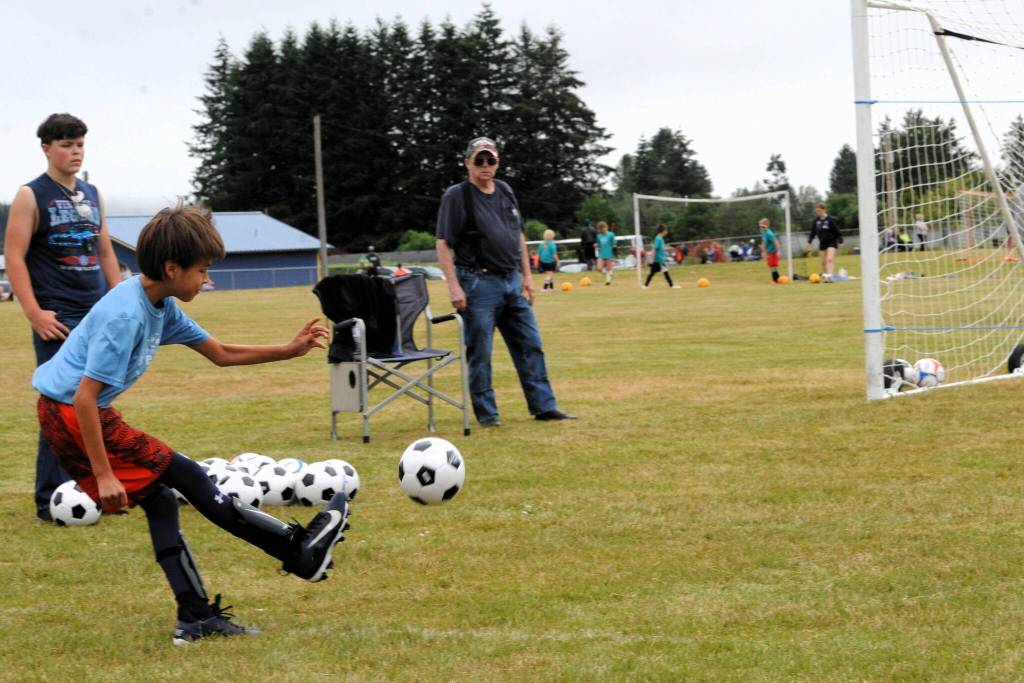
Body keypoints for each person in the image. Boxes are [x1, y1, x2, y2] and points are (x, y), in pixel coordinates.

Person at [32, 206, 352, 643]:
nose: (207, 279)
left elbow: (220, 352)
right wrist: (103, 474)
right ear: (171, 267)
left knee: (163, 501)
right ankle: (298, 552)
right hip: (71, 414)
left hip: (79, 412)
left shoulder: (160, 305)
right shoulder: (126, 316)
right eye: (202, 271)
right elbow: (85, 398)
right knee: (188, 475)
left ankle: (197, 616)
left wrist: (288, 349)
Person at [4, 113, 122, 523]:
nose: (75, 151)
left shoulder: (92, 193)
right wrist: (34, 313)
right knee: (60, 407)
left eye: (80, 144)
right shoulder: (30, 195)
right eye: (66, 144)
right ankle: (50, 498)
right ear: (46, 148)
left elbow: (106, 252)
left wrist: (119, 302)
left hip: (95, 314)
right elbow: (14, 256)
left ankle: (100, 490)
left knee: (97, 403)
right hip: (57, 317)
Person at [435, 136, 576, 426]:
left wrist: (528, 277)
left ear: (498, 163)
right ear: (467, 163)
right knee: (480, 352)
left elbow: (519, 236)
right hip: (477, 284)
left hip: (512, 282)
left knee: (530, 345)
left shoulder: (506, 191)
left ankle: (544, 406)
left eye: (491, 160)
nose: (485, 165)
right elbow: (443, 243)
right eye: (479, 160)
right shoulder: (456, 196)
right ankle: (488, 415)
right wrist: (453, 286)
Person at [808, 202, 843, 282]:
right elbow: (812, 232)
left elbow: (837, 230)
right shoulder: (816, 221)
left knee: (829, 259)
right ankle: (826, 276)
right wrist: (809, 242)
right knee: (823, 262)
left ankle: (829, 276)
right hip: (822, 243)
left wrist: (840, 241)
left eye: (819, 211)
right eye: (817, 211)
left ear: (824, 210)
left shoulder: (830, 219)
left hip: (832, 241)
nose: (818, 213)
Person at [643, 224, 680, 289]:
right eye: (666, 230)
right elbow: (654, 249)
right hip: (658, 259)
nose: (667, 232)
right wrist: (652, 259)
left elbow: (662, 248)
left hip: (660, 259)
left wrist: (670, 248)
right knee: (664, 272)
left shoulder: (661, 238)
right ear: (662, 231)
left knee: (653, 273)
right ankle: (672, 285)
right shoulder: (658, 238)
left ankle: (645, 285)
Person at [759, 218, 782, 283]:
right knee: (772, 266)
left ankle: (775, 280)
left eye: (762, 226)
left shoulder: (769, 234)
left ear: (766, 225)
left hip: (773, 252)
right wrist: (763, 252)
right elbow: (763, 242)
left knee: (773, 266)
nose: (761, 228)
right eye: (760, 226)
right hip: (769, 252)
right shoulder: (763, 233)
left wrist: (779, 251)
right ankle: (777, 279)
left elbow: (776, 242)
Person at [595, 221, 616, 285]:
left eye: (603, 227)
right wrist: (596, 245)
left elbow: (614, 243)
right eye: (600, 228)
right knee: (599, 268)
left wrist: (614, 245)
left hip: (609, 253)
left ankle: (608, 280)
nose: (602, 229)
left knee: (609, 269)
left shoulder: (611, 234)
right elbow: (599, 244)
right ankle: (608, 274)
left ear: (607, 227)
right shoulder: (598, 236)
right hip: (602, 254)